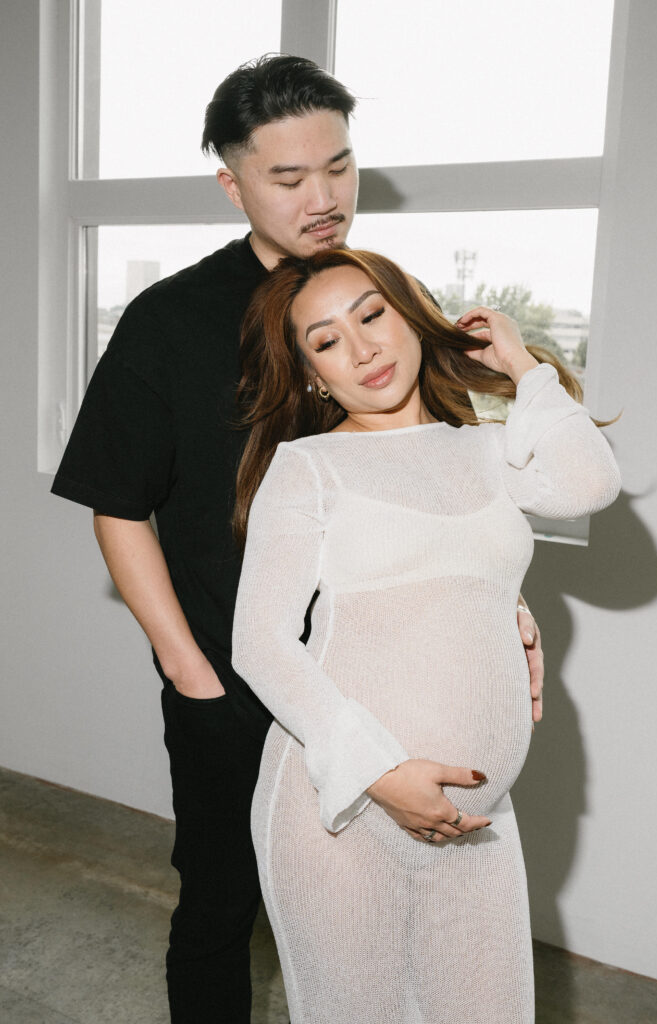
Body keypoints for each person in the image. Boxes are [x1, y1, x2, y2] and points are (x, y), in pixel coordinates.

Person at [50, 55, 545, 1023]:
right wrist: (192, 672)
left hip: (392, 688)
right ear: (231, 184)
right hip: (237, 693)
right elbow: (118, 505)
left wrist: (504, 608)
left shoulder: (383, 302)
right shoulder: (168, 322)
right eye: (287, 179)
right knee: (222, 910)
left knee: (407, 934)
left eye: (340, 166)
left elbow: (445, 481)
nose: (323, 199)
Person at [231, 247, 620, 1024]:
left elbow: (588, 483)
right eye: (327, 339)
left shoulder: (483, 447)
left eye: (371, 315)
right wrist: (379, 772)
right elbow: (261, 643)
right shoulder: (309, 466)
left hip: (475, 820)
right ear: (311, 373)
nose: (363, 348)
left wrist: (522, 367)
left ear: (408, 313)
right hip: (339, 808)